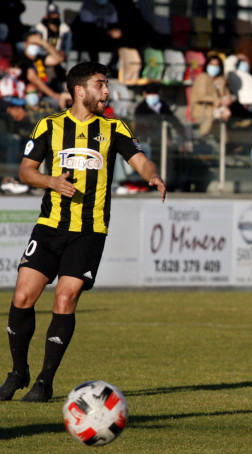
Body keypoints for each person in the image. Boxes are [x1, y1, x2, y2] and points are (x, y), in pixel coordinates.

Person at [0, 62, 166, 403]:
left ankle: (44, 382)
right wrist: (51, 182)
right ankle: (18, 372)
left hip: (90, 230)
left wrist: (152, 174)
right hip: (50, 226)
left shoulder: (114, 127)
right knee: (22, 297)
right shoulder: (49, 125)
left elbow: (139, 159)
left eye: (106, 85)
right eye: (100, 84)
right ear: (80, 90)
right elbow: (26, 171)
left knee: (65, 297)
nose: (107, 91)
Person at [133, 83, 189, 159]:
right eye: (150, 94)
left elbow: (175, 122)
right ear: (144, 94)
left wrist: (182, 141)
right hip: (148, 142)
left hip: (164, 144)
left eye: (154, 94)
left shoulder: (162, 106)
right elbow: (141, 128)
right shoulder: (141, 109)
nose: (153, 96)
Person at [18, 30, 67, 110]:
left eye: (38, 44)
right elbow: (35, 79)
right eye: (33, 43)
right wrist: (53, 94)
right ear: (25, 44)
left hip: (47, 92)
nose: (36, 45)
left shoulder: (39, 57)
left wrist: (44, 43)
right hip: (33, 96)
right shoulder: (22, 59)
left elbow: (59, 59)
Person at [72, 0, 122, 72]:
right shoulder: (87, 6)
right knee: (92, 39)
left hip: (103, 35)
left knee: (119, 39)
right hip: (88, 35)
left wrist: (115, 31)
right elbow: (88, 28)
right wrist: (108, 32)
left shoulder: (110, 7)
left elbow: (113, 24)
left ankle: (111, 65)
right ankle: (95, 66)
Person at [190, 54, 232, 137]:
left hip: (219, 111)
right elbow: (200, 96)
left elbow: (227, 95)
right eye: (212, 65)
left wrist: (228, 100)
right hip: (204, 110)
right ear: (207, 65)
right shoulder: (202, 77)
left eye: (217, 65)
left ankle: (225, 145)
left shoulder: (221, 80)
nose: (214, 67)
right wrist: (219, 101)